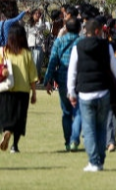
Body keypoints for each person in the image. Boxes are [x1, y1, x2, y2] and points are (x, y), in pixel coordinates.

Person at [67, 18, 116, 172]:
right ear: (98, 31)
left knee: (89, 129)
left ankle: (94, 161)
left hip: (85, 93)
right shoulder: (106, 47)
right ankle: (100, 159)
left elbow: (72, 72)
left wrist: (71, 92)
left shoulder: (78, 47)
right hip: (103, 92)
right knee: (101, 128)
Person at [43, 16, 82, 151]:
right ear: (79, 29)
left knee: (66, 112)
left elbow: (52, 61)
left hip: (63, 80)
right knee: (79, 112)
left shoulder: (59, 41)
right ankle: (75, 139)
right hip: (81, 80)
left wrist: (47, 80)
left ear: (66, 28)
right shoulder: (82, 41)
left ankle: (68, 141)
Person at [0, 24, 37, 153]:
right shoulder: (27, 54)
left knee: (6, 114)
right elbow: (32, 76)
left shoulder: (3, 51)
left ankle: (6, 130)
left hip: (6, 89)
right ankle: (14, 145)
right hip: (23, 90)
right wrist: (34, 93)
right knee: (20, 118)